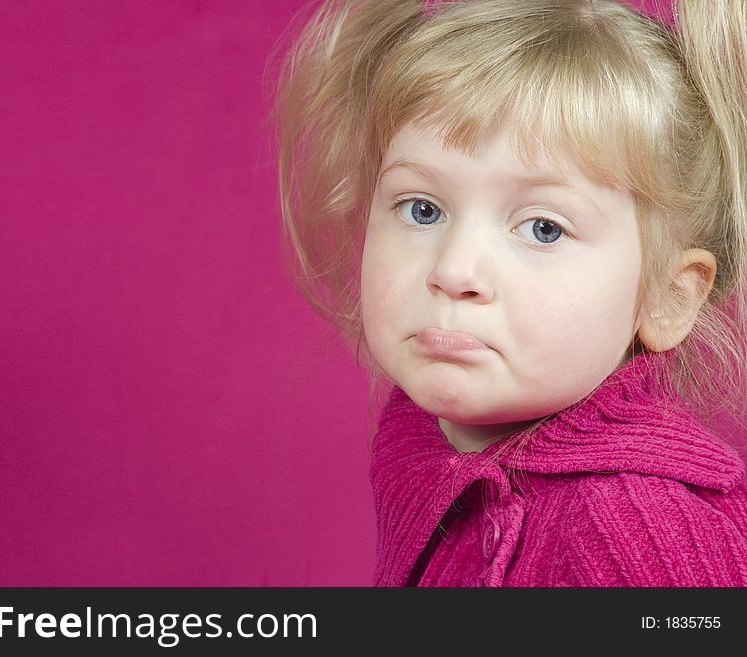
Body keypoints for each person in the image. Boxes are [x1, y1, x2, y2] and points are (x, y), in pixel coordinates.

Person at [271, 0, 747, 585]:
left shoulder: (631, 530)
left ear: (669, 298)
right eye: (422, 209)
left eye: (544, 228)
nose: (454, 269)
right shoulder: (435, 446)